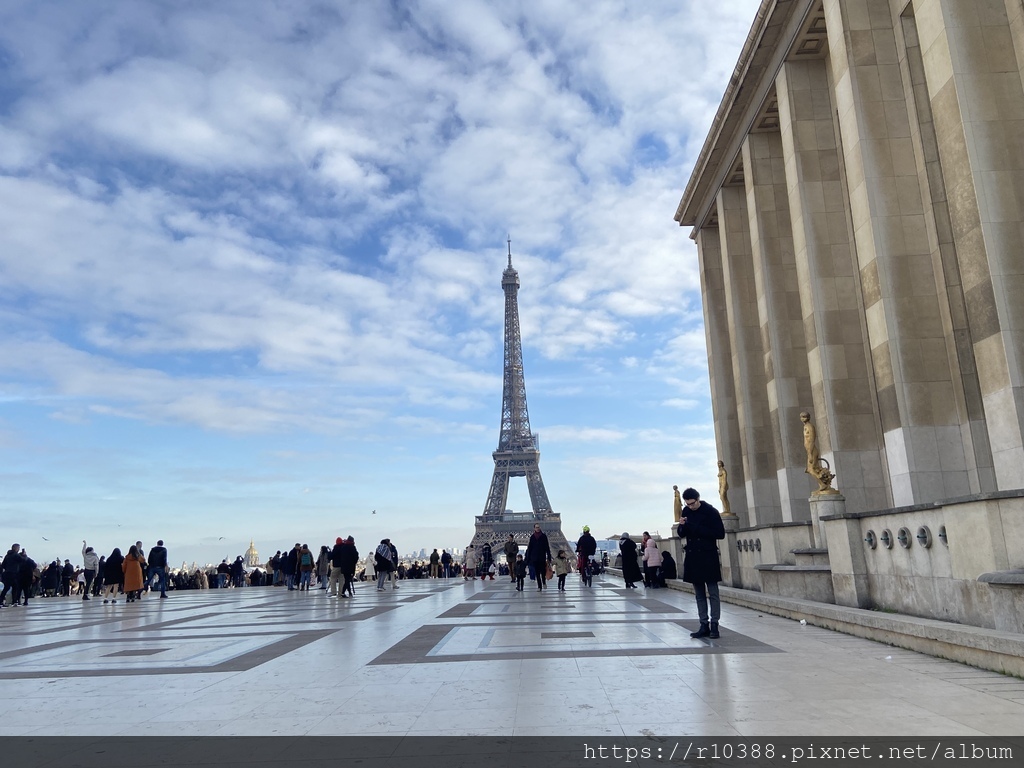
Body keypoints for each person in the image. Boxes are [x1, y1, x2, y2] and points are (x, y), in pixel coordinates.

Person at [678, 487, 726, 639]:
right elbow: (681, 534)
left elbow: (720, 534)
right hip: (693, 556)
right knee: (699, 594)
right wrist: (682, 525)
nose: (690, 507)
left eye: (692, 503)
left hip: (708, 555)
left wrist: (696, 528)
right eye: (687, 504)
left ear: (698, 499)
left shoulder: (711, 511)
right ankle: (703, 624)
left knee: (713, 592)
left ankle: (715, 625)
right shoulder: (686, 512)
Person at [524, 523, 552, 591]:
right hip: (535, 558)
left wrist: (549, 556)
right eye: (536, 527)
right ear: (534, 528)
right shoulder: (532, 537)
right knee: (537, 573)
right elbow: (530, 548)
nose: (538, 528)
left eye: (538, 527)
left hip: (542, 557)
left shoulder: (544, 536)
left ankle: (544, 582)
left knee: (542, 572)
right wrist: (528, 558)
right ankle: (539, 586)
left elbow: (547, 547)